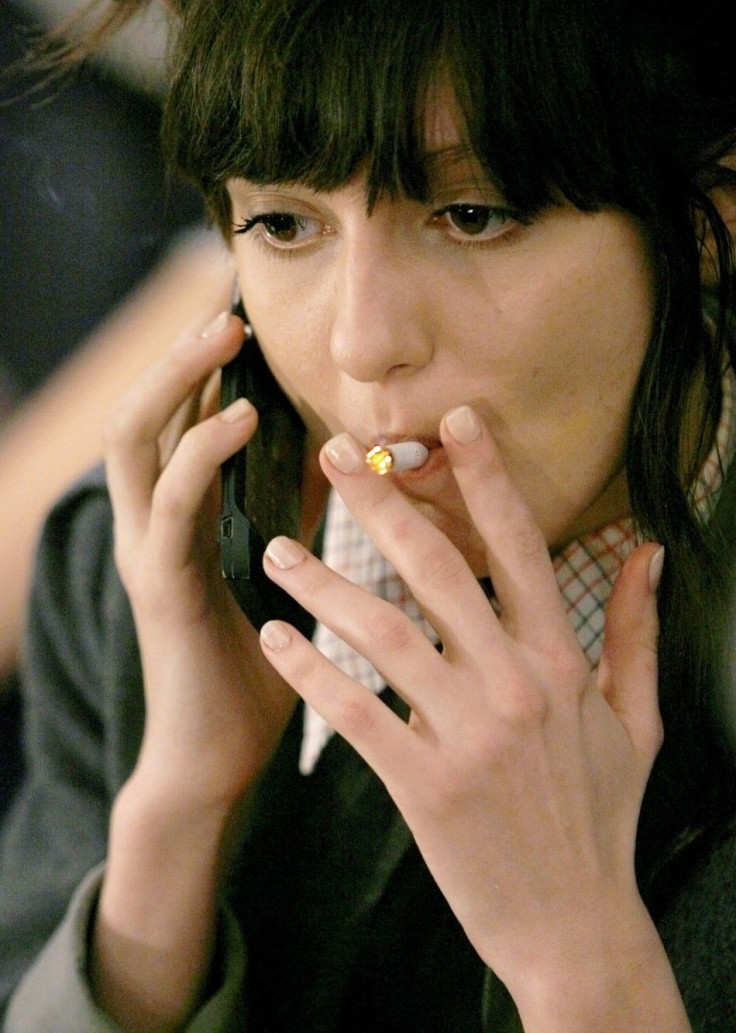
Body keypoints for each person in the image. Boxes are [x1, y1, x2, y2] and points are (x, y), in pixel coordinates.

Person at [1, 0, 736, 1029]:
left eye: (473, 216)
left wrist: (582, 962)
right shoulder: (149, 574)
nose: (359, 341)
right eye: (285, 223)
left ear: (712, 212)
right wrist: (175, 814)